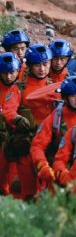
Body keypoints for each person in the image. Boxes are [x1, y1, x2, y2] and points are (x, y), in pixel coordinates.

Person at [10, 44, 56, 198]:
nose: (42, 69)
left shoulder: (53, 87)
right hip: (25, 141)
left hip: (47, 143)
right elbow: (9, 109)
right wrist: (16, 119)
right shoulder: (19, 87)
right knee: (27, 188)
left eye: (45, 64)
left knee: (48, 188)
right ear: (29, 66)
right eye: (37, 65)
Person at [30, 75, 76, 190]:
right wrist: (43, 166)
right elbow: (37, 146)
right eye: (73, 95)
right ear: (65, 97)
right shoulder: (55, 118)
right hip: (58, 173)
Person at [0, 52, 23, 193]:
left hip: (16, 137)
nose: (8, 77)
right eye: (4, 73)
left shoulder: (22, 87)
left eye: (12, 72)